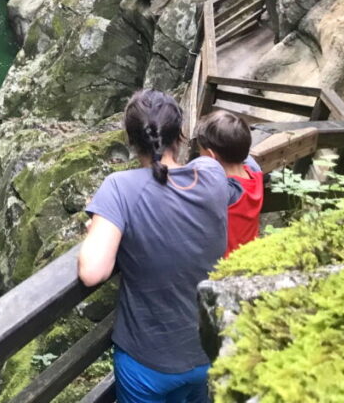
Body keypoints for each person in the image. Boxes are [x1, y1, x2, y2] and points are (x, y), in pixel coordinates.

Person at [78, 90, 229, 403]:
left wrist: (102, 224)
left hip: (148, 362)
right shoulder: (213, 174)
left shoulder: (119, 188)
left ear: (132, 143)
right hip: (207, 348)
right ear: (182, 135)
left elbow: (92, 272)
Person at [193, 110, 263, 257]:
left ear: (211, 156)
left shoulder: (225, 191)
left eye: (200, 151)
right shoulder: (255, 173)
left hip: (226, 265)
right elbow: (247, 157)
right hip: (251, 254)